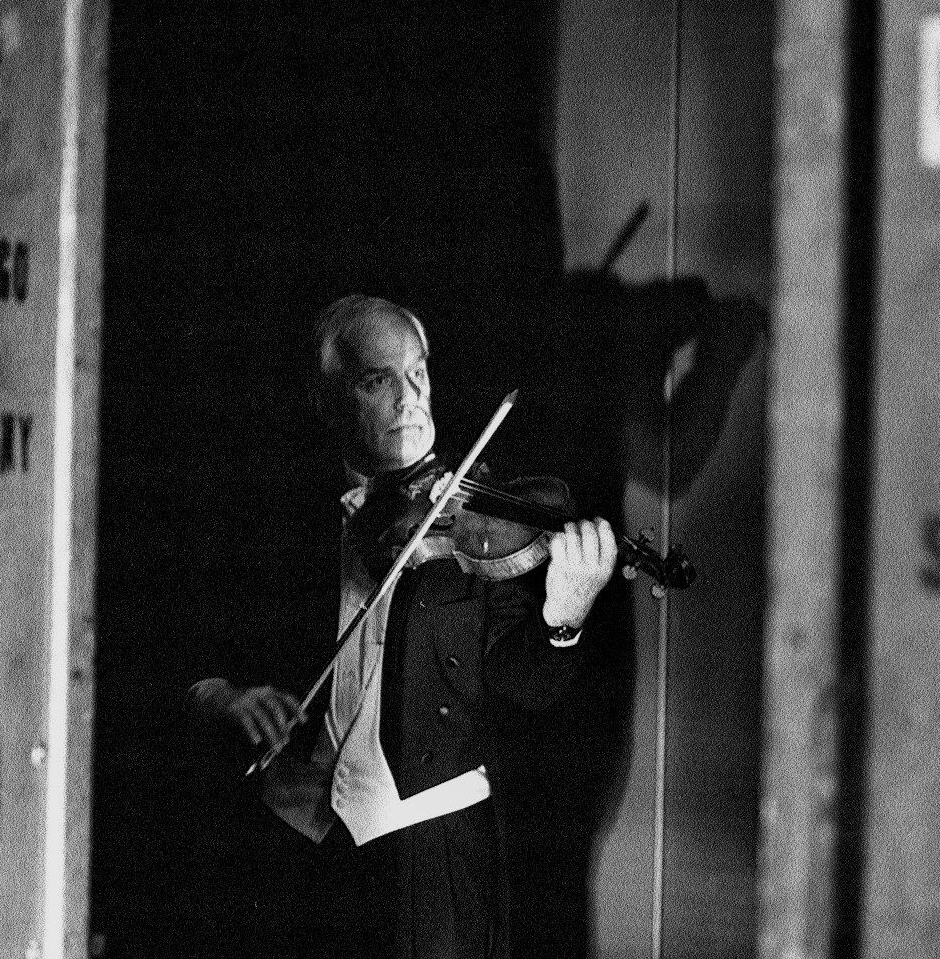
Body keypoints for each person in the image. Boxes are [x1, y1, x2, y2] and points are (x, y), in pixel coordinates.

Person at [185, 294, 618, 958]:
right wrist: (224, 697)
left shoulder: (475, 521)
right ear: (329, 399)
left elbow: (527, 684)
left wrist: (566, 614)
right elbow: (194, 645)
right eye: (377, 380)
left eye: (418, 373)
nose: (410, 397)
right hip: (290, 839)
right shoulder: (275, 514)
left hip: (428, 848)